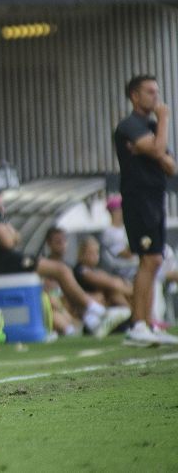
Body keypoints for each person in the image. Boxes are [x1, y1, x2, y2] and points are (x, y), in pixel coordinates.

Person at [0, 191, 129, 337]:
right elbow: (9, 241)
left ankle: (93, 318)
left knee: (61, 271)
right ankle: (97, 312)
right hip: (2, 262)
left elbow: (17, 237)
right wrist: (9, 234)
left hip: (4, 261)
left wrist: (10, 233)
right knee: (60, 270)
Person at [114, 74, 178, 347]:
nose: (156, 97)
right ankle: (138, 323)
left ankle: (148, 322)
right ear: (134, 96)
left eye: (157, 92)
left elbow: (171, 165)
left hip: (156, 197)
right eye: (150, 92)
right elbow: (158, 148)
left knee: (155, 260)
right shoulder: (129, 126)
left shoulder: (150, 127)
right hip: (138, 199)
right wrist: (163, 122)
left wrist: (155, 149)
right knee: (148, 259)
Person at [100, 195, 138, 280]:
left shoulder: (127, 228)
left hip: (135, 269)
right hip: (123, 275)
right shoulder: (109, 233)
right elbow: (127, 254)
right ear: (114, 211)